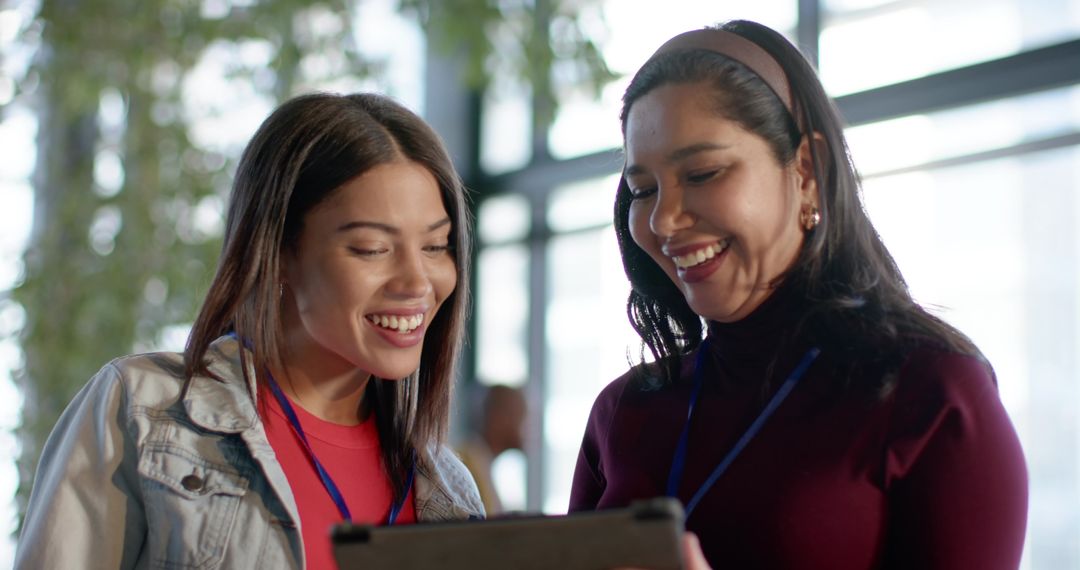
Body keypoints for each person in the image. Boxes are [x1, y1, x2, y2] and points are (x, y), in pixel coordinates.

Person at [569, 20, 1028, 570]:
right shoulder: (624, 412)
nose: (664, 219)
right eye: (643, 190)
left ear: (806, 171)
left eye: (704, 172)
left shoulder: (929, 395)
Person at [15, 92, 484, 569]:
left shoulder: (449, 489)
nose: (416, 283)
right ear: (278, 251)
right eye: (371, 248)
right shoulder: (144, 412)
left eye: (435, 246)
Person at [457, 384, 528, 514]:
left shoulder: (480, 464)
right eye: (522, 418)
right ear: (499, 418)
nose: (529, 430)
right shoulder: (465, 465)